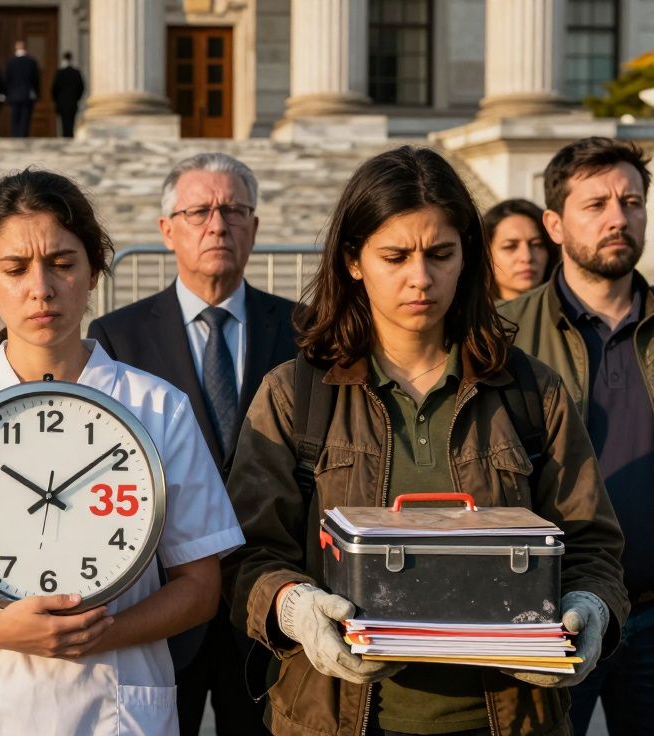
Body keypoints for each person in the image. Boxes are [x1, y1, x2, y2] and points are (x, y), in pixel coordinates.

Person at [225, 145, 628, 736]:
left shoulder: (530, 391)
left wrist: (590, 609)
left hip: (507, 718)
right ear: (354, 261)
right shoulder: (296, 396)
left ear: (467, 257)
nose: (421, 278)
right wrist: (292, 606)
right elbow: (246, 553)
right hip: (339, 717)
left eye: (440, 253)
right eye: (395, 256)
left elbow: (592, 542)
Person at [0, 168, 245, 735]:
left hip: (115, 706)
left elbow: (200, 587)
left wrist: (101, 632)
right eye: (15, 268)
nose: (41, 288)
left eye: (62, 263)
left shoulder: (158, 408)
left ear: (94, 271)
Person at [89, 152, 294, 736]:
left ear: (254, 227)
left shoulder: (304, 330)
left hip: (268, 602)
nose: (217, 224)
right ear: (167, 229)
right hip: (165, 595)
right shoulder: (117, 335)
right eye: (199, 210)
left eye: (233, 210)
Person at [498, 137, 652, 736]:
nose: (619, 217)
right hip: (546, 616)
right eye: (597, 205)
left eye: (632, 200)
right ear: (555, 224)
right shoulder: (502, 338)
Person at [483, 198, 559, 301]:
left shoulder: (572, 313)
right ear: (487, 254)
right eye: (510, 247)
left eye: (537, 244)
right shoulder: (469, 316)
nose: (526, 257)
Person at [5, 40, 40, 138]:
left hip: (14, 94)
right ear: (25, 48)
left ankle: (15, 135)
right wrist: (37, 93)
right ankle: (23, 135)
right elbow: (35, 79)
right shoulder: (31, 62)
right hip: (27, 94)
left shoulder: (10, 62)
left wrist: (7, 94)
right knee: (25, 117)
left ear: (15, 48)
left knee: (15, 117)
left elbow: (7, 79)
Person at [51, 51, 85, 138]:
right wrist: (77, 98)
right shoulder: (76, 72)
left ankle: (65, 135)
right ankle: (70, 135)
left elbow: (54, 88)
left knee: (64, 122)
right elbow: (81, 88)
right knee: (71, 121)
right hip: (73, 102)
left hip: (62, 102)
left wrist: (56, 100)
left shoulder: (60, 73)